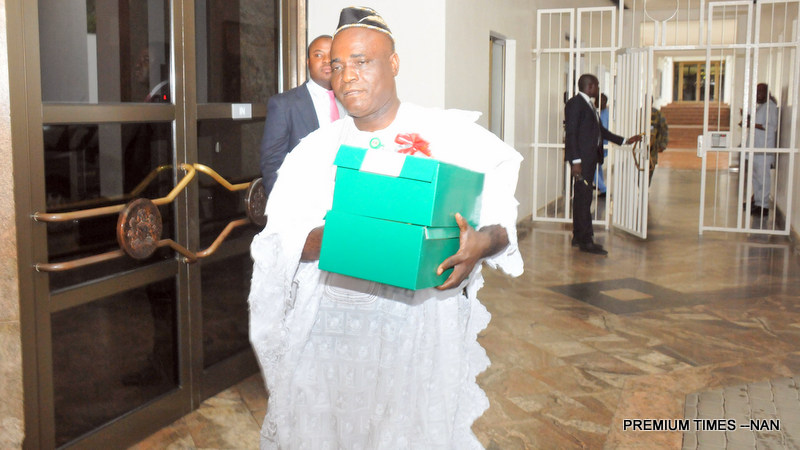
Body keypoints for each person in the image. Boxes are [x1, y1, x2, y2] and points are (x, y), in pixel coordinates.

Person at [248, 6, 523, 448]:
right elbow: (278, 242)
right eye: (338, 65)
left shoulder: (447, 135)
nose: (347, 76)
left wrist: (479, 243)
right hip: (332, 340)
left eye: (362, 61)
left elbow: (502, 221)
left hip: (417, 338)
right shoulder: (313, 152)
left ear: (393, 63)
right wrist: (348, 238)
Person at [259, 35, 345, 196]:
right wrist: (286, 203)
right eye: (318, 55)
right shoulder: (284, 104)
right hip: (304, 202)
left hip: (346, 199)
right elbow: (272, 164)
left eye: (332, 55)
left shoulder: (351, 102)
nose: (327, 60)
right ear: (308, 62)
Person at [564, 74, 641, 255]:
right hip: (582, 161)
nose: (598, 89)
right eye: (597, 85)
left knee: (582, 198)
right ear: (590, 86)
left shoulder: (589, 105)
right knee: (584, 200)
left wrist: (625, 140)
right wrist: (576, 162)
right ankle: (586, 241)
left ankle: (578, 236)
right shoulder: (575, 104)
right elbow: (571, 134)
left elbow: (601, 131)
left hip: (589, 159)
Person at [742, 83, 779, 216]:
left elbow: (770, 127)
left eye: (759, 92)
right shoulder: (761, 107)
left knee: (763, 179)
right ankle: (757, 202)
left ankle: (763, 206)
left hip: (764, 149)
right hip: (756, 149)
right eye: (756, 92)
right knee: (756, 178)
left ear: (766, 93)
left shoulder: (771, 107)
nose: (757, 95)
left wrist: (751, 124)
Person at [648, 104, 669, 185]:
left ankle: (645, 186)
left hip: (653, 148)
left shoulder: (657, 114)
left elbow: (664, 129)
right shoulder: (639, 113)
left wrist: (663, 144)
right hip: (639, 147)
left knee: (650, 167)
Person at [594, 93, 609, 196]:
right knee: (598, 167)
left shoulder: (604, 114)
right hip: (601, 144)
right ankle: (602, 187)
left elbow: (601, 130)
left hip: (600, 144)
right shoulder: (601, 112)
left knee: (593, 168)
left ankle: (603, 188)